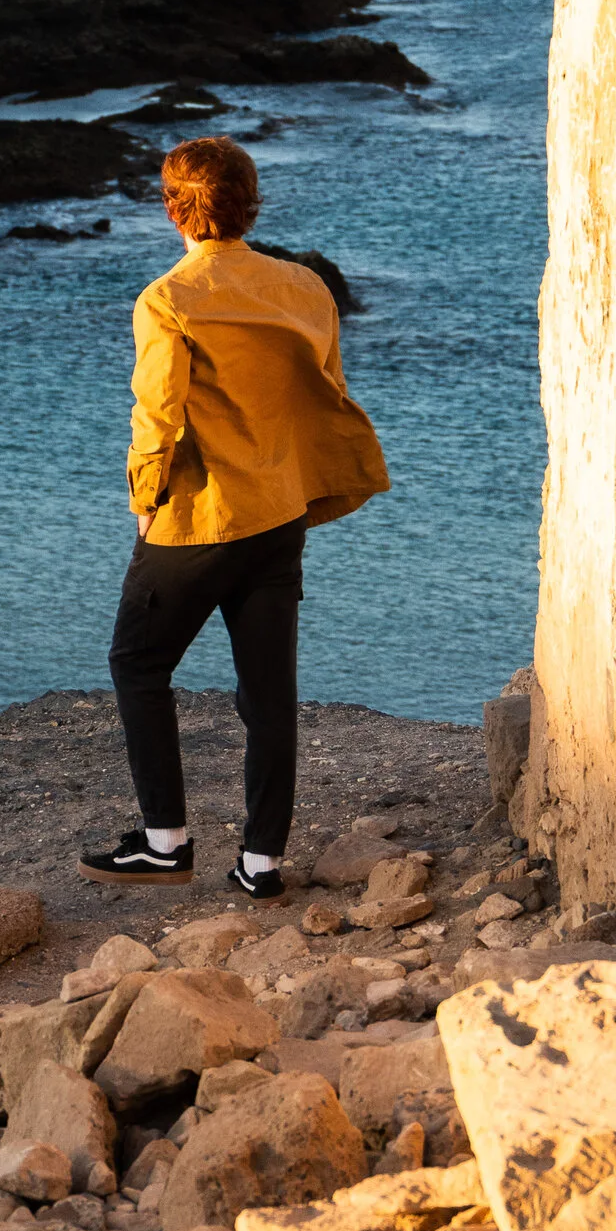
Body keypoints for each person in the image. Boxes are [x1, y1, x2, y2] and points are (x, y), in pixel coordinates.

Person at [81, 135, 388, 900]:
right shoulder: (306, 289)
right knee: (268, 692)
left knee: (137, 663)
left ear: (172, 207)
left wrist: (144, 505)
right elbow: (319, 393)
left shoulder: (168, 300)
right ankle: (262, 862)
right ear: (253, 202)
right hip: (280, 515)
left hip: (198, 522)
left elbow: (157, 416)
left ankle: (164, 843)